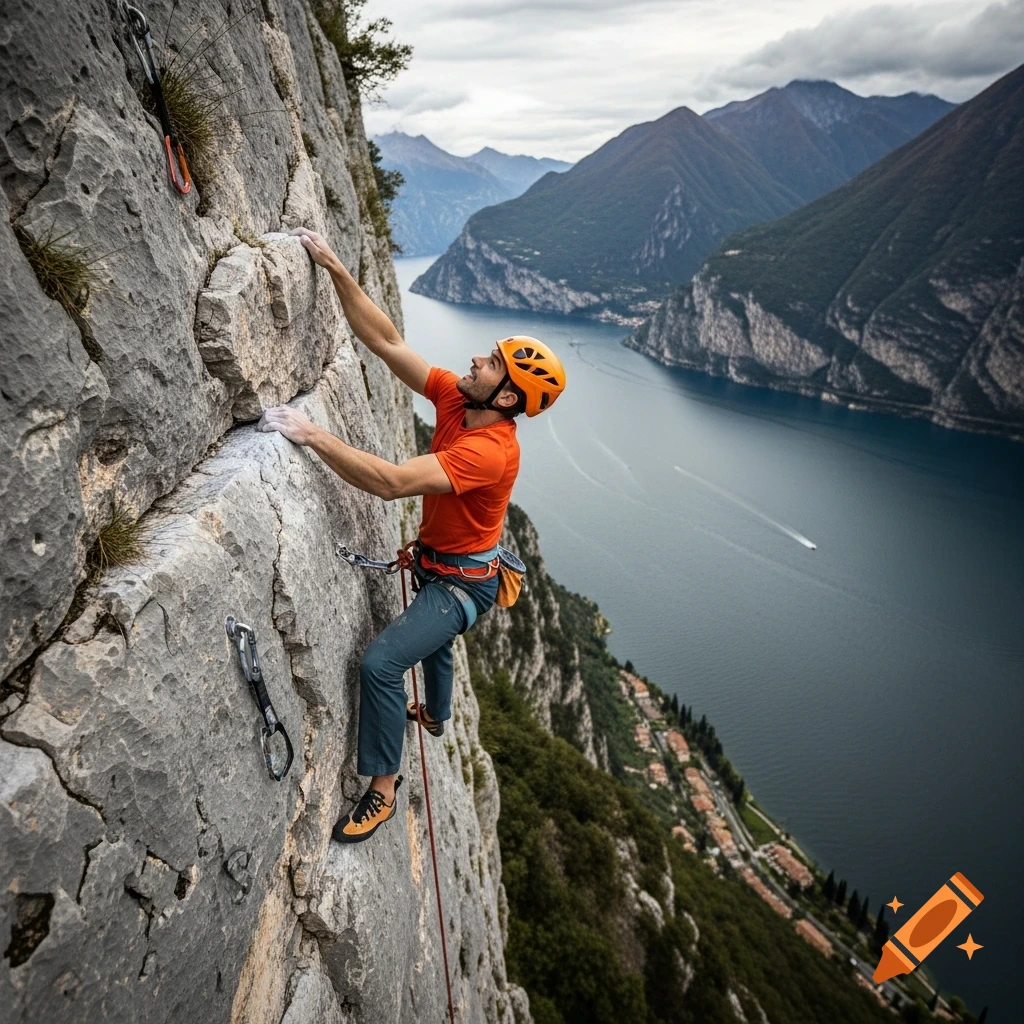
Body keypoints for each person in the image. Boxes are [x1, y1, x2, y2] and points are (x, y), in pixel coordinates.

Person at [258, 226, 565, 844]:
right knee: (437, 647)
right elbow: (388, 341)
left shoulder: (491, 450)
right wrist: (336, 266)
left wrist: (314, 435)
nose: (476, 360)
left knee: (381, 663)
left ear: (507, 395)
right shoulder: (460, 399)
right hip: (449, 562)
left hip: (461, 586)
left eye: (492, 363)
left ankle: (382, 788)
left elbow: (395, 482)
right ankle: (440, 714)